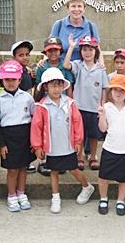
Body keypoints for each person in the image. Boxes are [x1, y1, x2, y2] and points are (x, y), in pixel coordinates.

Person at [31, 68, 95, 213]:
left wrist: (78, 141)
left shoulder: (69, 103)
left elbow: (77, 122)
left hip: (68, 145)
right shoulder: (42, 106)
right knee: (54, 171)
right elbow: (36, 127)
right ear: (46, 87)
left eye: (59, 85)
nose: (57, 89)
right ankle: (55, 197)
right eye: (53, 85)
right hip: (52, 146)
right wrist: (37, 146)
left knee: (73, 169)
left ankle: (87, 187)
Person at [0, 61, 36, 212]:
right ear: (2, 80)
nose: (10, 83)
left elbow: (33, 120)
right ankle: (11, 195)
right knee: (12, 170)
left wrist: (33, 140)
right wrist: (1, 144)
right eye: (7, 80)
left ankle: (21, 193)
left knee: (23, 168)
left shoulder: (27, 98)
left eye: (13, 79)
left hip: (24, 137)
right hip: (8, 138)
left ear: (20, 80)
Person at [63, 34, 108, 171]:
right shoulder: (78, 65)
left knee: (94, 135)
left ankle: (93, 157)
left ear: (96, 52)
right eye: (84, 49)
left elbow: (104, 89)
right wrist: (71, 47)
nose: (87, 52)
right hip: (80, 107)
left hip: (95, 108)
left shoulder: (100, 69)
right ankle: (79, 157)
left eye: (91, 49)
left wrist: (103, 107)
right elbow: (66, 64)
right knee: (80, 135)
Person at [97, 74, 125, 216]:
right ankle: (103, 198)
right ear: (110, 92)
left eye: (122, 90)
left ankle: (120, 201)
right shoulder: (107, 107)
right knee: (103, 177)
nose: (118, 93)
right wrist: (102, 115)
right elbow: (103, 129)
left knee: (124, 178)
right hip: (110, 148)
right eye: (115, 90)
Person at [34, 37, 74, 176]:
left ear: (60, 51)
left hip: (62, 103)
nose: (53, 53)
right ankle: (43, 161)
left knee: (59, 131)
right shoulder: (41, 67)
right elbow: (38, 86)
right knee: (46, 129)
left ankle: (60, 160)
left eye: (56, 50)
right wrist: (37, 102)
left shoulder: (65, 66)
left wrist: (70, 102)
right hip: (47, 103)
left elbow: (69, 87)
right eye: (50, 50)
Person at [48, 0, 104, 64]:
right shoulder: (59, 25)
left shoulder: (91, 26)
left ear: (84, 8)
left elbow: (97, 49)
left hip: (84, 69)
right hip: (62, 68)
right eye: (73, 6)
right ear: (68, 9)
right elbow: (50, 47)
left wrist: (101, 64)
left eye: (79, 6)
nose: (76, 9)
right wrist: (44, 61)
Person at [11, 40, 38, 174]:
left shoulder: (26, 71)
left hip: (28, 108)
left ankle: (26, 162)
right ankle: (21, 163)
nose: (25, 57)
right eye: (21, 55)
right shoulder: (14, 73)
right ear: (14, 57)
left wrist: (32, 78)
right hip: (18, 110)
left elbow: (29, 86)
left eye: (27, 54)